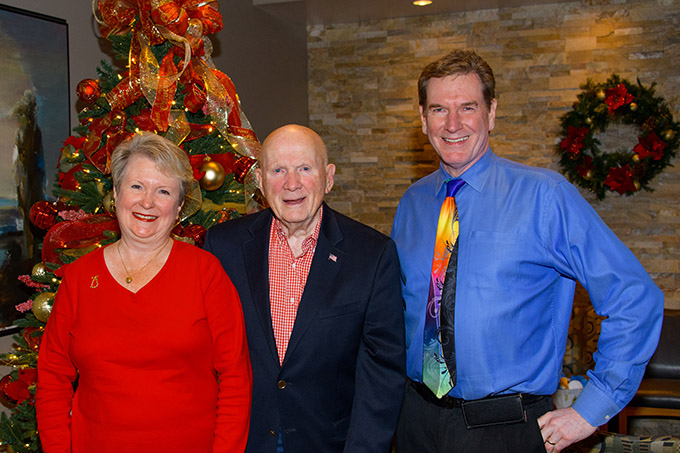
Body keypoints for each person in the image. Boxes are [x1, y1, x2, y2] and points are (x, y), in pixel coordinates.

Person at [391, 49, 664, 452]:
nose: (452, 124)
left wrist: (591, 408)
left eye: (467, 107)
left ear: (491, 112)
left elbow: (634, 297)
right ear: (422, 118)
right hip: (414, 421)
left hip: (505, 431)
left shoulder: (546, 197)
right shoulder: (412, 204)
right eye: (438, 109)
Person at [36, 132, 252, 452]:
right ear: (116, 192)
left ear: (179, 207)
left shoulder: (205, 273)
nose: (147, 202)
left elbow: (236, 379)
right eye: (136, 186)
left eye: (163, 191)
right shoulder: (80, 278)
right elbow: (52, 377)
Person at [203, 124, 405, 453]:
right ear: (260, 180)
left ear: (328, 177)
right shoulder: (223, 247)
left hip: (329, 443)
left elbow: (382, 374)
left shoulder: (371, 254)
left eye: (305, 169)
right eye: (278, 170)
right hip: (243, 441)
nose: (291, 183)